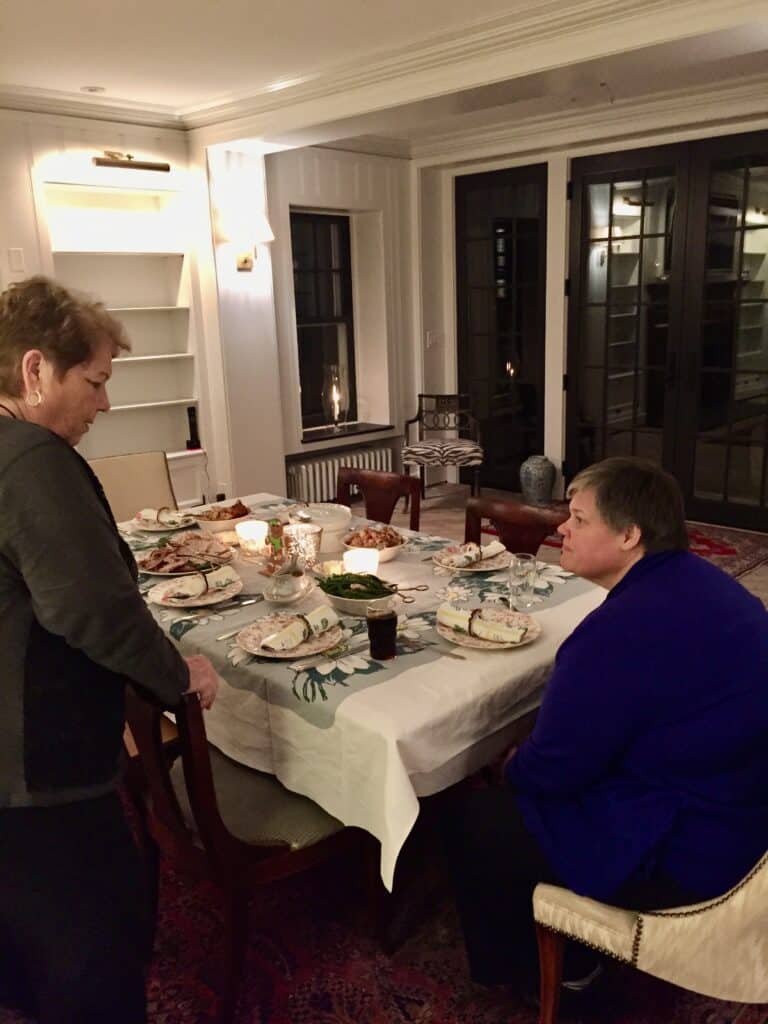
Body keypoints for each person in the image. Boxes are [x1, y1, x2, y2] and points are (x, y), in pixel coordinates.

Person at [443, 456, 768, 991]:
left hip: (697, 845)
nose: (562, 528)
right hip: (743, 805)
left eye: (579, 518)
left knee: (473, 817)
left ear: (629, 535)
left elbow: (554, 770)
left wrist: (510, 765)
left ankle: (550, 973)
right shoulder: (697, 581)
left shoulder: (618, 633)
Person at [0, 276, 220, 1024]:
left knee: (24, 947)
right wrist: (177, 678)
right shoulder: (31, 459)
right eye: (93, 382)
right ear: (35, 371)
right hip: (40, 766)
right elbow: (94, 610)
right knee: (91, 951)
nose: (104, 403)